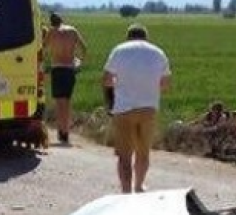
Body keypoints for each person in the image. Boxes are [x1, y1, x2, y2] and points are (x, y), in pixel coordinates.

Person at [102, 24, 170, 194]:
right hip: (149, 108)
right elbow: (166, 83)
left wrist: (118, 85)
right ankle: (139, 186)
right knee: (143, 152)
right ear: (146, 37)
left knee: (124, 156)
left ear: (128, 37)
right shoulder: (158, 52)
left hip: (124, 109)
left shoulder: (119, 50)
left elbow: (106, 80)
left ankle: (126, 191)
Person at [43, 12, 87, 145]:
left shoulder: (51, 33)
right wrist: (78, 62)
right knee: (67, 102)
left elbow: (43, 49)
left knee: (59, 102)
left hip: (57, 68)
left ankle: (61, 131)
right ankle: (66, 132)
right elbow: (84, 48)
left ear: (51, 22)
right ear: (62, 20)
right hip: (69, 69)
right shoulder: (72, 31)